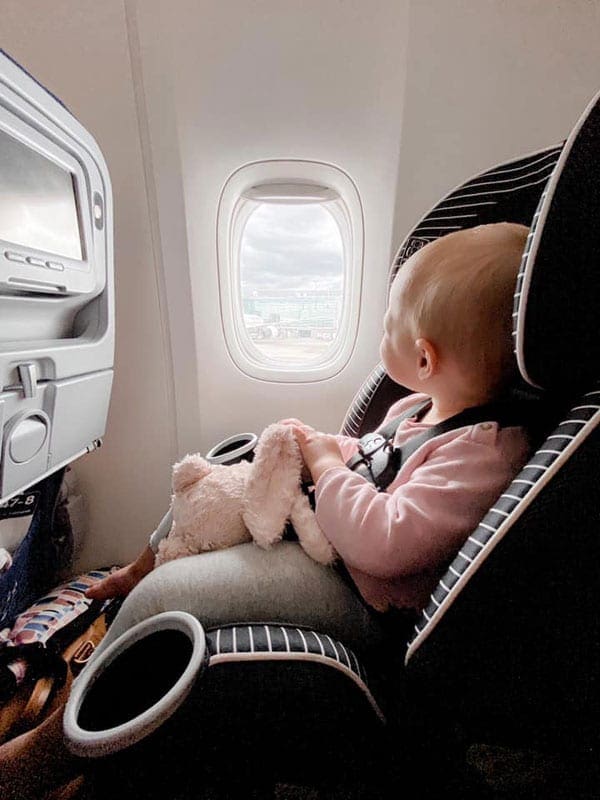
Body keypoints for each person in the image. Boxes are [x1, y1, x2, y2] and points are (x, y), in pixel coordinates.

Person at [0, 222, 532, 799]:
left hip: (360, 593)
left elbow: (386, 541)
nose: (380, 334)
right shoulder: (418, 406)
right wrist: (313, 449)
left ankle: (56, 749)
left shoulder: (480, 456)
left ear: (425, 357)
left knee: (167, 598)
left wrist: (327, 468)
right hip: (329, 542)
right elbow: (369, 458)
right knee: (218, 470)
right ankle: (136, 570)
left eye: (388, 326)